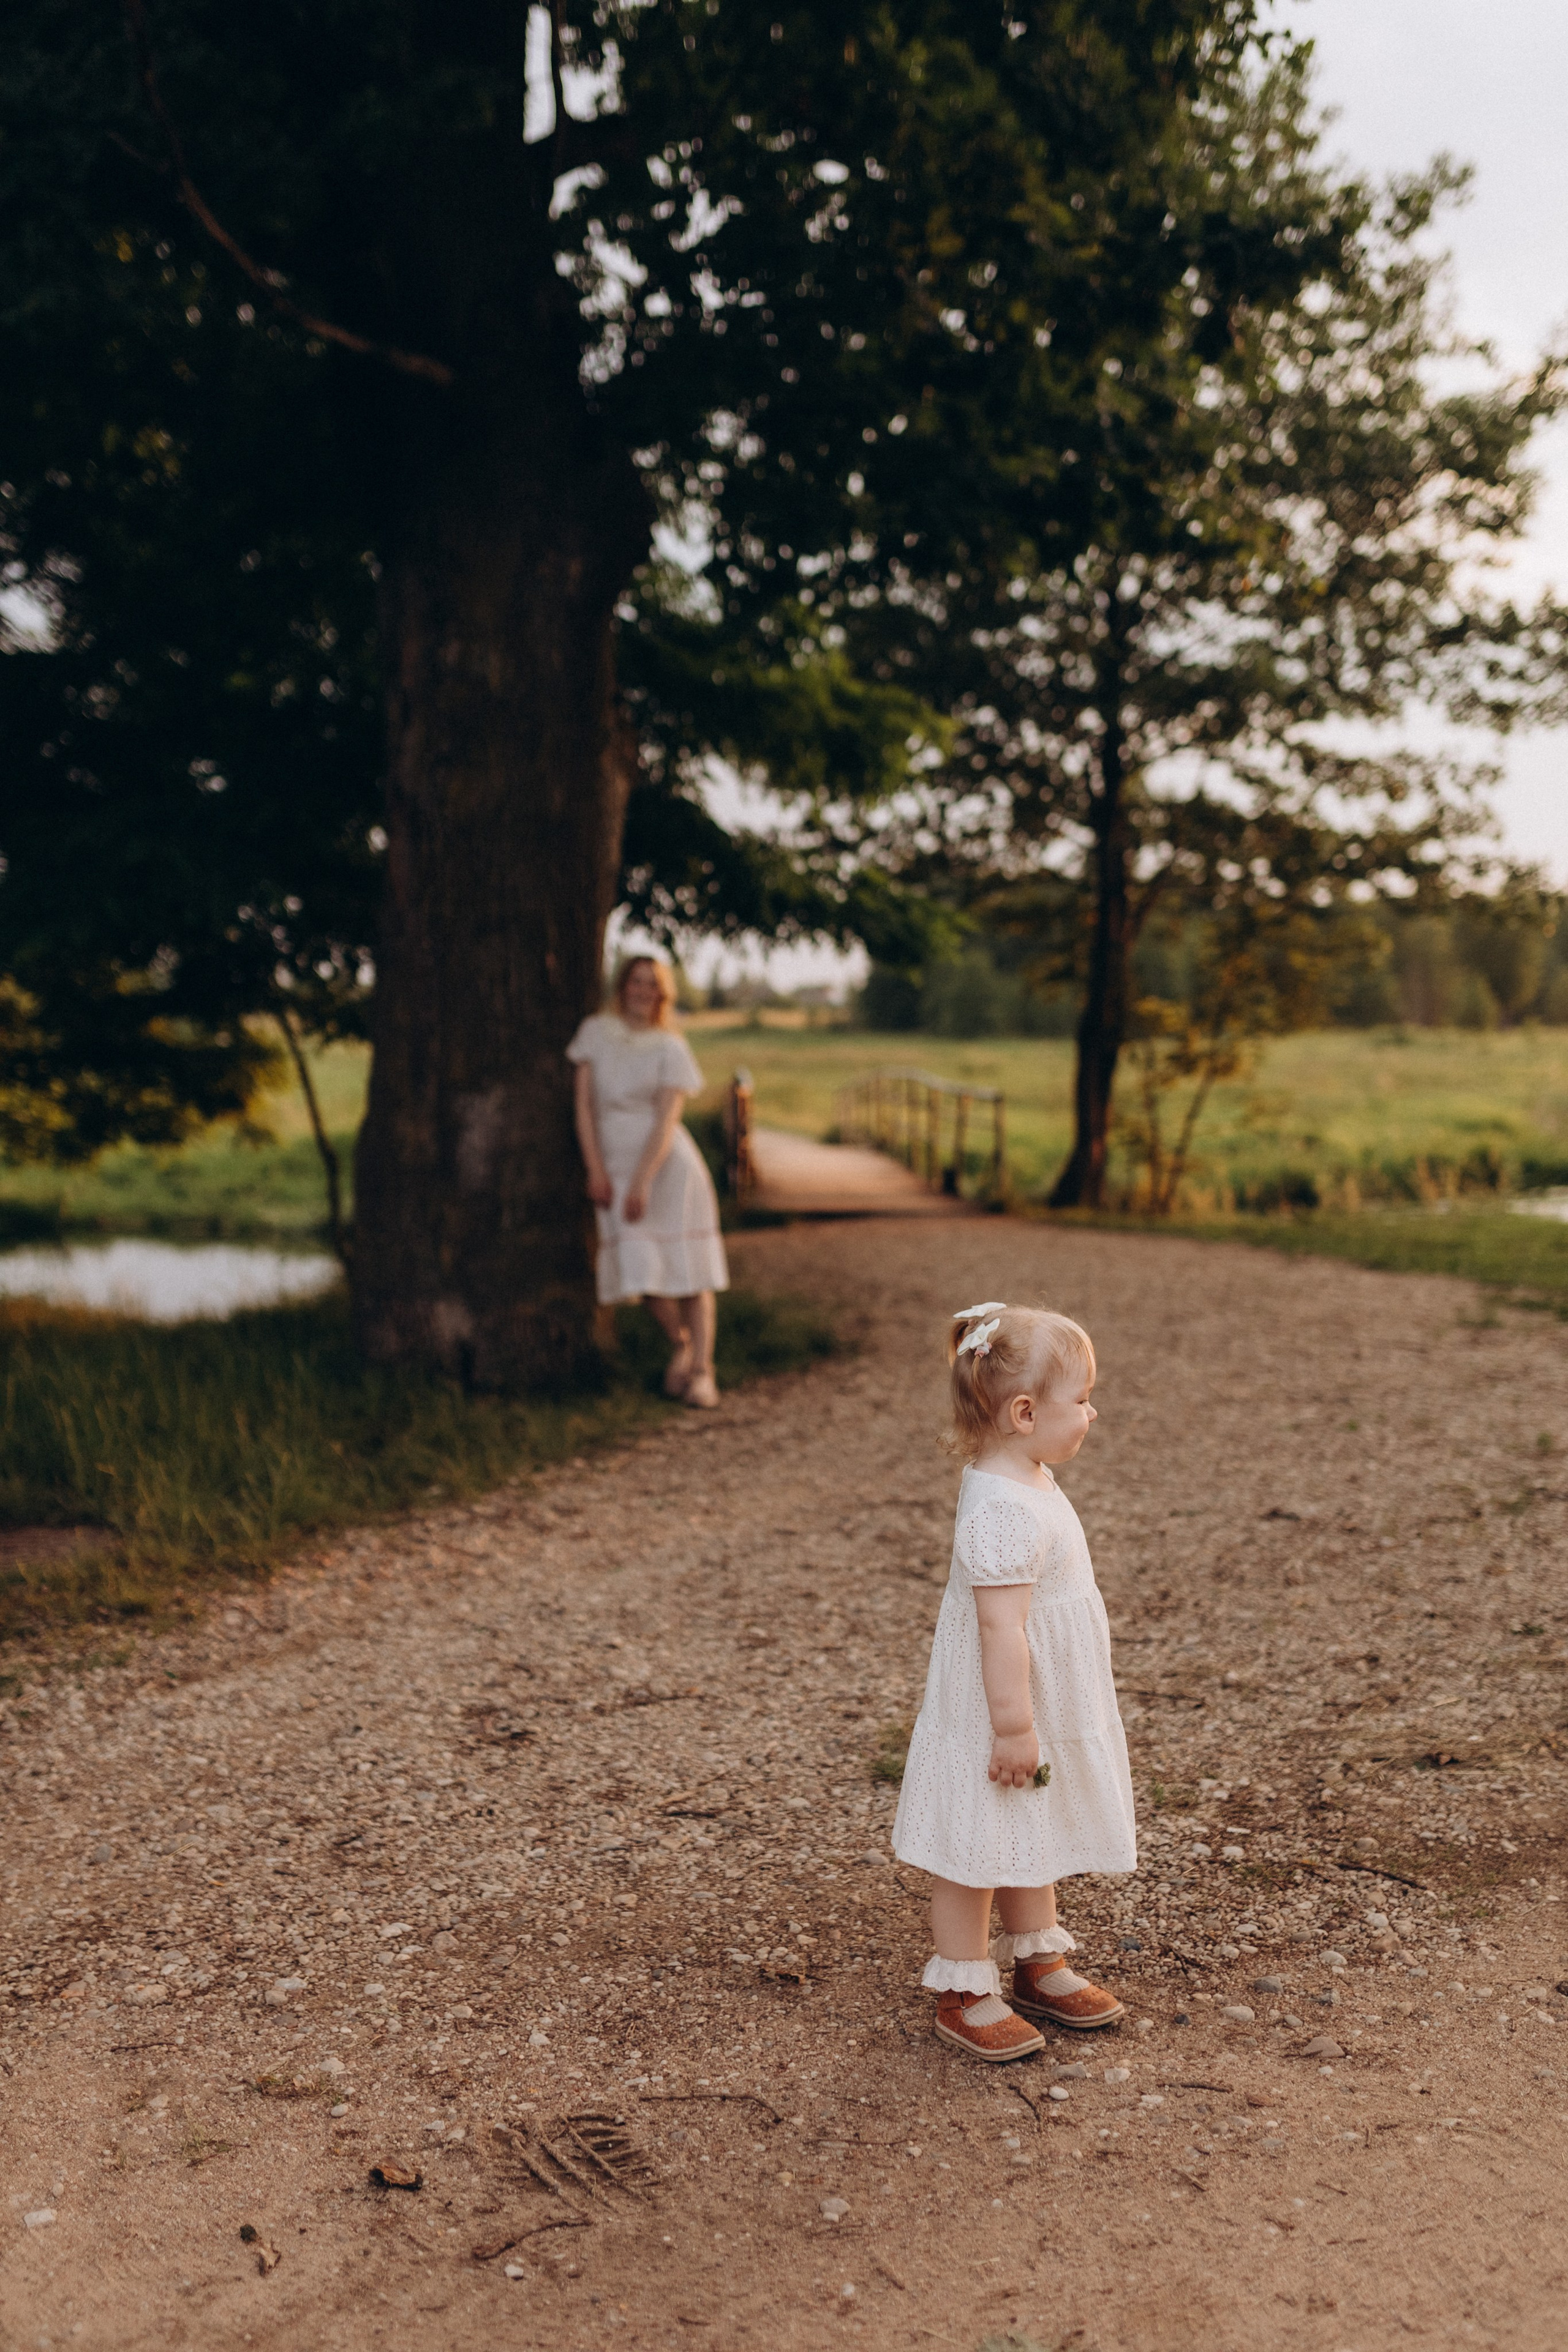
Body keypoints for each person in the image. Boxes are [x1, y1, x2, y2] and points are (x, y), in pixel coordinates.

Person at [892, 1301, 1136, 2060]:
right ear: (1024, 1412)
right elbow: (1000, 1628)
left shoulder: (1025, 1476)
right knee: (978, 1840)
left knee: (1029, 1822)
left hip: (1037, 1701)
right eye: (1083, 1398)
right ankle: (963, 1990)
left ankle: (1037, 1959)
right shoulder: (999, 1508)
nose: (1093, 1412)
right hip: (999, 1711)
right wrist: (1013, 1727)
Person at [568, 954, 729, 1409]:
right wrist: (596, 1169)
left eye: (653, 985)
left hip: (666, 1167)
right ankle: (681, 1345)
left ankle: (703, 1371)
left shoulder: (669, 1047)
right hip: (612, 1166)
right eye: (636, 982)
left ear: (663, 994)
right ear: (622, 987)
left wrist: (641, 1181)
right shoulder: (594, 1034)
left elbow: (666, 1118)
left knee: (691, 1269)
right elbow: (583, 1108)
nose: (643, 991)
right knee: (641, 1269)